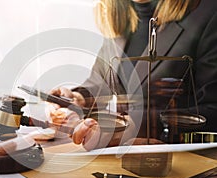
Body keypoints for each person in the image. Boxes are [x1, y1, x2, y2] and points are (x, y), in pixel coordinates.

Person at [49, 0, 217, 150]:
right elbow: (103, 80)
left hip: (182, 163)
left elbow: (212, 110)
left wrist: (134, 126)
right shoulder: (121, 14)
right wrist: (78, 98)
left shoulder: (208, 12)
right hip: (123, 159)